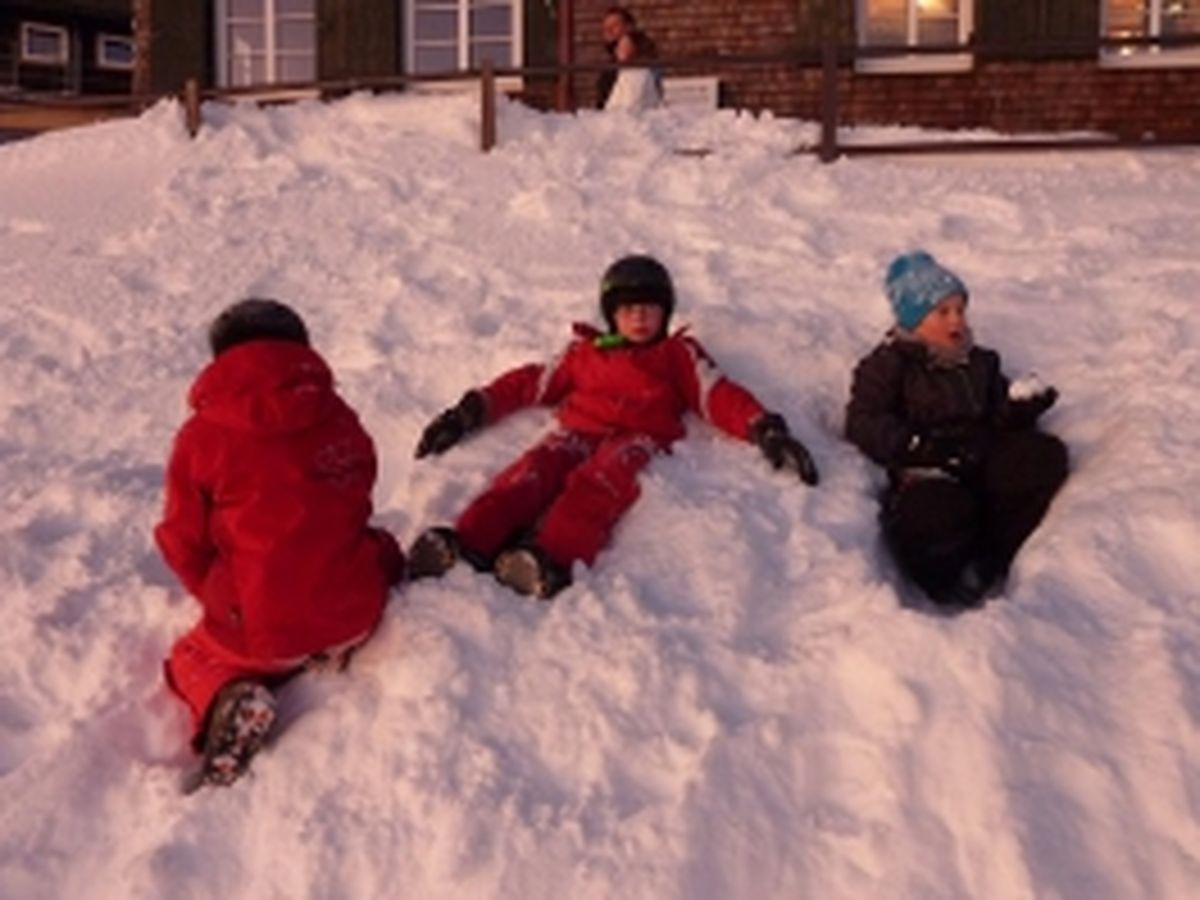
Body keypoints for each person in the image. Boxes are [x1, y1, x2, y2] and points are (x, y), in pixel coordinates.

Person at [409, 254, 819, 599]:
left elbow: (717, 395)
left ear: (665, 313)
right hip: (577, 431)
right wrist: (472, 410)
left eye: (649, 308)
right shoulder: (585, 353)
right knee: (530, 474)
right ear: (611, 316)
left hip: (637, 438)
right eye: (627, 309)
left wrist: (762, 427)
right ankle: (469, 543)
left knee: (601, 483)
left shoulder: (677, 354)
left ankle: (551, 557)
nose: (639, 317)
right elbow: (530, 382)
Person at [155, 299, 404, 787]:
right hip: (356, 614)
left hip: (262, 632)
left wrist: (219, 596)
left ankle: (227, 697)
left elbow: (182, 539)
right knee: (368, 544)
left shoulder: (202, 437)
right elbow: (358, 496)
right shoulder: (340, 417)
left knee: (190, 657)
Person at [845, 251, 1068, 609]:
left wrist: (1020, 411)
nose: (957, 320)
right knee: (934, 512)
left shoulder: (980, 362)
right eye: (943, 312)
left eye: (961, 310)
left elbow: (997, 416)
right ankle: (946, 576)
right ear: (914, 319)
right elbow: (862, 421)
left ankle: (992, 556)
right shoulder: (889, 365)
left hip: (978, 460)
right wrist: (916, 445)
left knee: (1043, 456)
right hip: (928, 470)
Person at [597, 5, 662, 111]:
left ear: (628, 26)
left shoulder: (638, 69)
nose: (609, 31)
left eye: (615, 25)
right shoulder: (611, 62)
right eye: (605, 28)